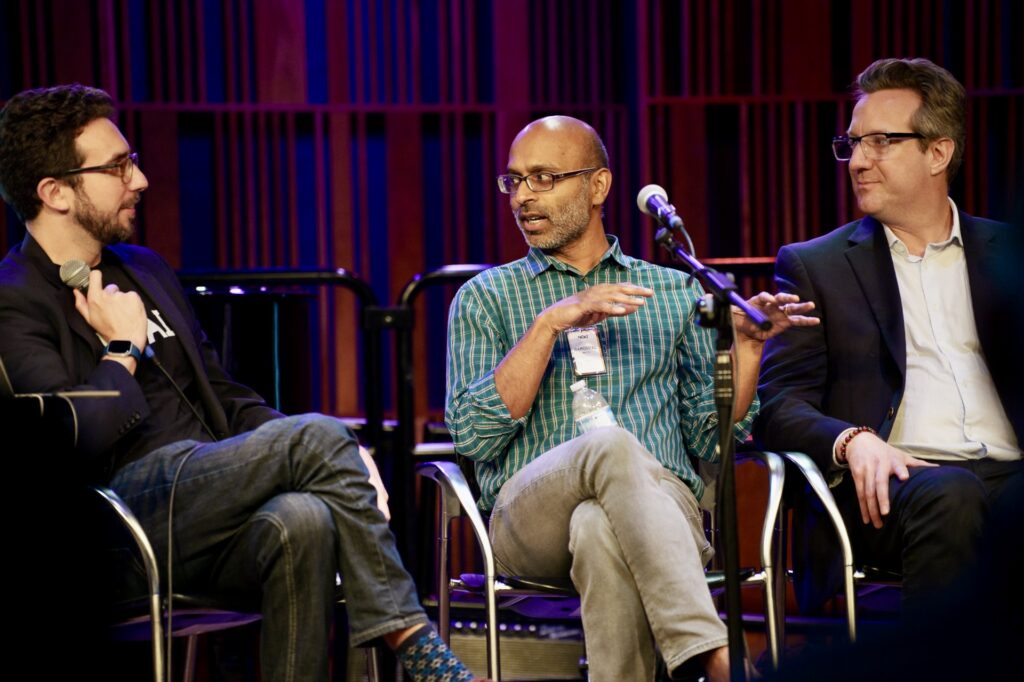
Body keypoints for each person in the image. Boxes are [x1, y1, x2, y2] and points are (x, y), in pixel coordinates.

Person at [0, 84, 483, 682]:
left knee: (302, 520)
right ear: (55, 192)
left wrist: (331, 455)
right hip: (118, 526)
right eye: (118, 166)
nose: (141, 178)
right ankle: (409, 636)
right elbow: (63, 448)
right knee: (323, 437)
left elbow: (225, 397)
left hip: (204, 501)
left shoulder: (144, 269)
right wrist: (122, 348)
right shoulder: (15, 299)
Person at [444, 115, 816, 682]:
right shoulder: (485, 297)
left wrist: (745, 352)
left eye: (544, 178)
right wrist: (547, 326)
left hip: (663, 507)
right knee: (610, 445)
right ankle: (719, 658)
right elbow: (473, 436)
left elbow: (710, 437)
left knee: (598, 528)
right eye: (514, 180)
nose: (522, 196)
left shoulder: (673, 290)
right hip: (530, 518)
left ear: (598, 187)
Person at [755, 58, 1022, 620]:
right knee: (953, 495)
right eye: (852, 143)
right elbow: (779, 407)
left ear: (938, 152)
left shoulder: (1009, 254)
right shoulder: (815, 266)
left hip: (1009, 470)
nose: (858, 161)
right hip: (898, 486)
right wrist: (853, 440)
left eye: (880, 142)